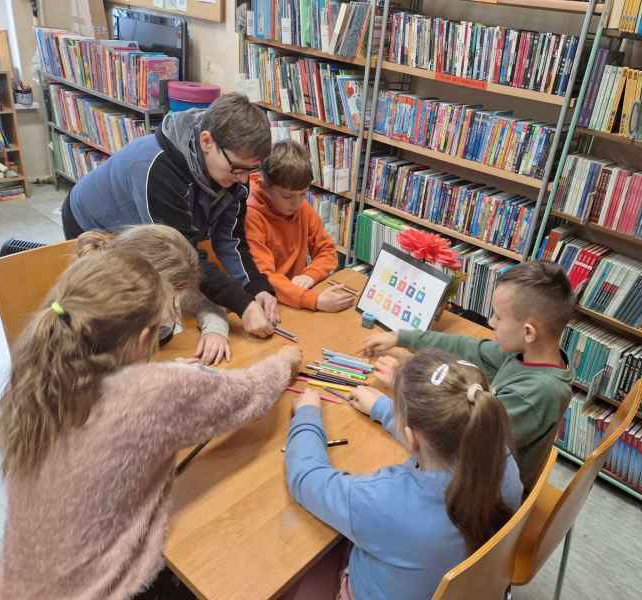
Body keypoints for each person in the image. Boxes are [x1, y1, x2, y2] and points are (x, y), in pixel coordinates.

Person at [0, 248, 302, 600]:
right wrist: (286, 362)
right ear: (145, 339)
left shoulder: (35, 378)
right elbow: (248, 394)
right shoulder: (147, 393)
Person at [284, 350, 523, 600]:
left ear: (411, 437)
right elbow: (442, 436)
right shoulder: (501, 459)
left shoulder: (383, 501)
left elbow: (304, 476)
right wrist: (385, 410)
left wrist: (307, 414)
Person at [61, 92, 279, 338]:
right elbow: (180, 254)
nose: (243, 179)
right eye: (238, 168)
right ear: (207, 141)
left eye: (251, 170)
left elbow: (231, 239)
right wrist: (243, 304)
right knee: (119, 309)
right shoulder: (157, 170)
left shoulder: (236, 171)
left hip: (144, 227)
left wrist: (256, 287)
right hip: (92, 224)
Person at [361, 261, 575, 491]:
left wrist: (398, 394)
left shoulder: (536, 395)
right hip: (482, 471)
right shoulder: (527, 353)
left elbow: (451, 441)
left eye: (498, 317)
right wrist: (403, 338)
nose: (490, 322)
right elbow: (466, 348)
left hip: (485, 497)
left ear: (528, 332)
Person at [76, 224, 231, 365]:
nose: (175, 305)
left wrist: (215, 331)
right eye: (168, 298)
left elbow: (204, 304)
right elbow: (100, 376)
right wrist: (161, 373)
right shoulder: (95, 318)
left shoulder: (167, 281)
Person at [245, 140, 354, 312]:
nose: (297, 203)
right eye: (287, 197)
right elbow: (264, 277)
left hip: (295, 297)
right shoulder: (251, 215)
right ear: (264, 186)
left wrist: (310, 275)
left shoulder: (302, 207)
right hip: (265, 300)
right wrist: (315, 300)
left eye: (303, 194)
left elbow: (327, 251)